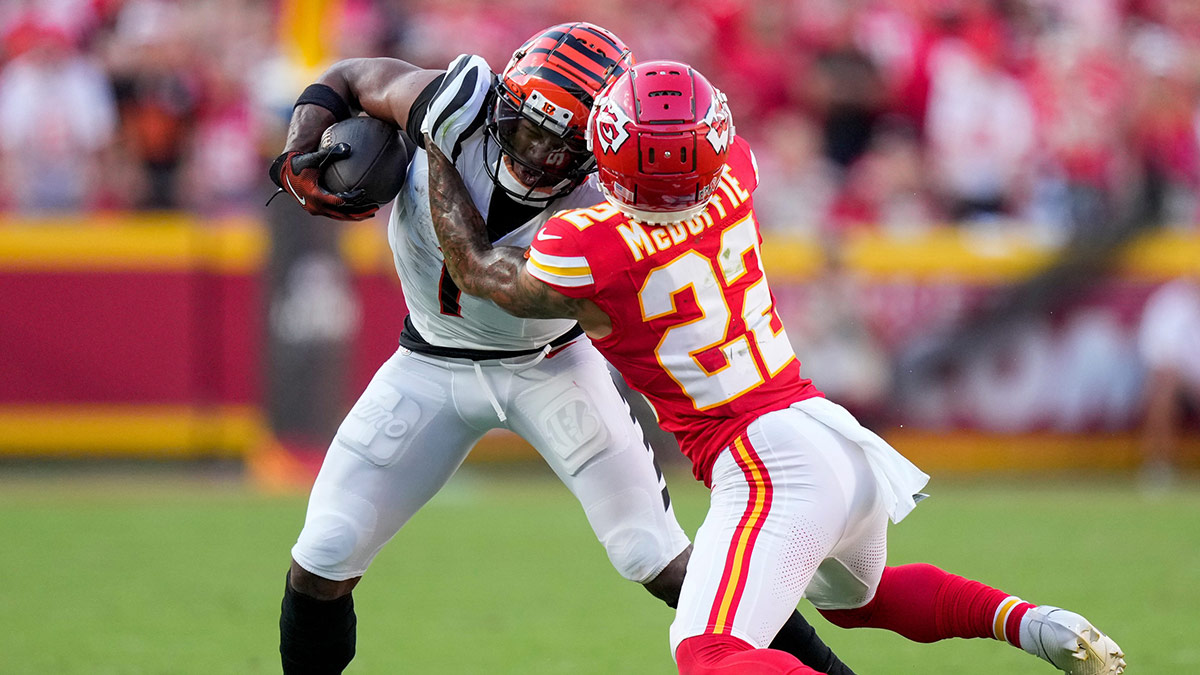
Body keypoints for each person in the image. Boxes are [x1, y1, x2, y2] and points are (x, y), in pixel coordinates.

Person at [425, 59, 1126, 675]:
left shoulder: (585, 241)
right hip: (829, 436)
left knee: (709, 652)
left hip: (763, 462)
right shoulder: (736, 170)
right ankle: (1033, 623)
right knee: (862, 600)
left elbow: (482, 272)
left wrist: (435, 146)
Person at [268, 23, 853, 674]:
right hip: (426, 361)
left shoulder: (617, 196)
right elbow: (350, 76)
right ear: (502, 103)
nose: (540, 155)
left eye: (562, 142)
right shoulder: (458, 99)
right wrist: (300, 148)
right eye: (528, 128)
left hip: (550, 366)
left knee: (655, 555)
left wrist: (433, 149)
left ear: (603, 144)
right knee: (323, 552)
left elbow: (479, 270)